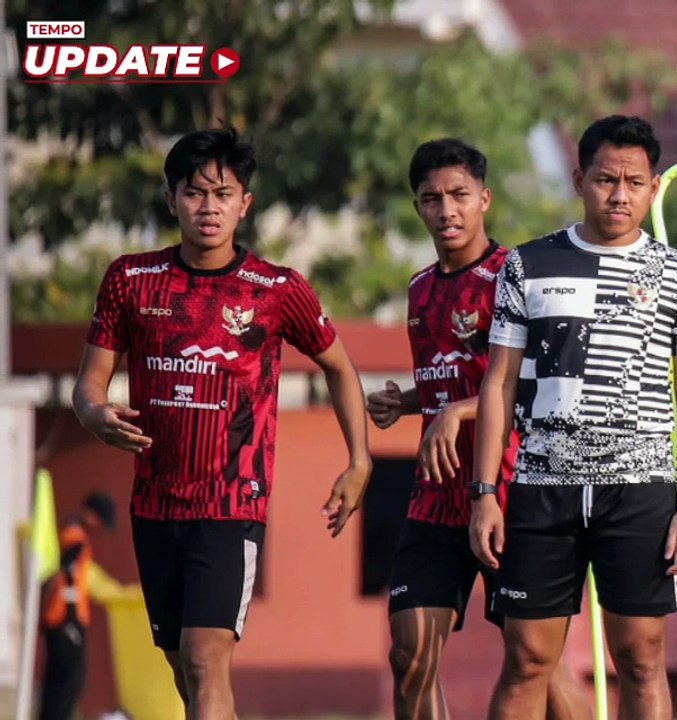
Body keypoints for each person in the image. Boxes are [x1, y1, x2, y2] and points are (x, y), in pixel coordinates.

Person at [72, 127, 371, 720]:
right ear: (171, 199)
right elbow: (89, 386)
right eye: (194, 193)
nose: (208, 207)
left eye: (223, 194)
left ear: (245, 204)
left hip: (231, 504)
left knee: (205, 661)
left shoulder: (277, 289)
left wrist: (359, 461)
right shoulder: (130, 281)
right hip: (155, 504)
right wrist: (95, 414)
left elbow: (339, 367)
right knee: (186, 671)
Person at [470, 115, 677, 720]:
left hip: (639, 490)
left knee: (641, 659)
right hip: (542, 488)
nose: (619, 195)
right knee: (528, 658)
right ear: (580, 179)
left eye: (634, 183)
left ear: (654, 188)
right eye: (607, 180)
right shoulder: (526, 265)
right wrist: (484, 493)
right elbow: (499, 382)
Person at [365, 138, 590, 720]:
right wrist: (406, 402)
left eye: (459, 194)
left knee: (539, 662)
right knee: (410, 656)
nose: (447, 210)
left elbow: (543, 383)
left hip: (513, 494)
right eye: (431, 198)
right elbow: (456, 377)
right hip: (436, 501)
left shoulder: (519, 276)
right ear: (418, 207)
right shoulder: (419, 289)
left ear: (484, 198)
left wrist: (458, 413)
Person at [38, 492, 122, 720]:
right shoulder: (74, 535)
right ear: (91, 515)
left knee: (65, 680)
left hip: (64, 618)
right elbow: (64, 574)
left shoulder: (76, 535)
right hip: (65, 618)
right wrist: (70, 619)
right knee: (69, 681)